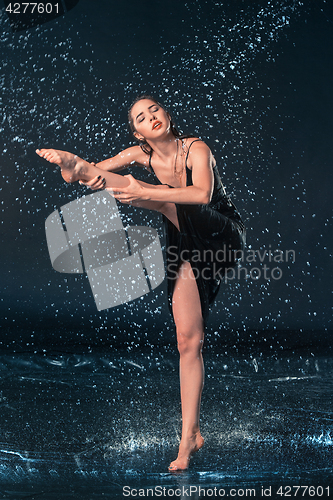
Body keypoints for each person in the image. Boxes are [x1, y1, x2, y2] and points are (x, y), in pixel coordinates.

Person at [36, 95, 245, 471]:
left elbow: (203, 195)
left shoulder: (196, 148)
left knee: (167, 202)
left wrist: (144, 191)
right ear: (138, 132)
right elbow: (104, 178)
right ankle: (190, 437)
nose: (152, 118)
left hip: (220, 231)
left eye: (155, 111)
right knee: (188, 340)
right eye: (142, 118)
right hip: (181, 235)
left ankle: (78, 168)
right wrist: (87, 173)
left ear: (167, 114)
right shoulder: (138, 154)